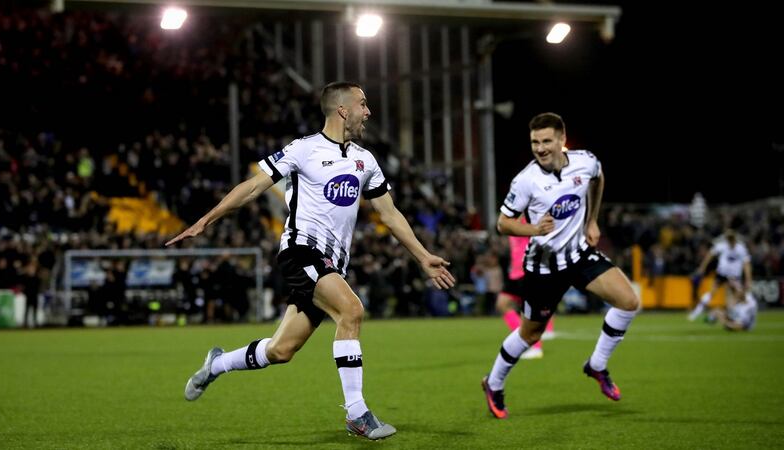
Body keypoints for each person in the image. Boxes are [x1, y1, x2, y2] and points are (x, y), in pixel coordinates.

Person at [166, 81, 456, 440]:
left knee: (281, 350)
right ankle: (357, 413)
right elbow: (254, 186)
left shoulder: (366, 160)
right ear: (342, 110)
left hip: (332, 264)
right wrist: (205, 221)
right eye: (363, 105)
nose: (368, 112)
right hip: (300, 251)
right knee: (352, 310)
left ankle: (218, 364)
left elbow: (391, 214)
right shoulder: (303, 150)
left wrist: (423, 256)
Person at [481, 112, 640, 419]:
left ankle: (596, 366)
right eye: (534, 142)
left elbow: (599, 177)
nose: (540, 148)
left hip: (579, 255)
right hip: (543, 267)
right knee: (531, 334)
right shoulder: (525, 180)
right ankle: (494, 383)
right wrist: (533, 230)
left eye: (546, 141)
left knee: (628, 301)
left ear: (562, 141)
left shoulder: (585, 161)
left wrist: (592, 219)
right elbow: (503, 223)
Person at [494, 218, 555, 360]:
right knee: (502, 304)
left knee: (529, 311)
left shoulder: (529, 220)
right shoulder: (509, 221)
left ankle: (535, 347)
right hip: (515, 273)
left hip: (526, 270)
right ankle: (524, 339)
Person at [688, 229, 752, 321]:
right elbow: (710, 255)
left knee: (736, 295)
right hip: (722, 274)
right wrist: (702, 267)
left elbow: (747, 264)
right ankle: (697, 311)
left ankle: (731, 315)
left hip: (734, 276)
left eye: (731, 240)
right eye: (729, 240)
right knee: (712, 292)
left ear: (734, 239)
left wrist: (748, 279)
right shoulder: (722, 246)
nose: (730, 242)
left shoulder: (741, 248)